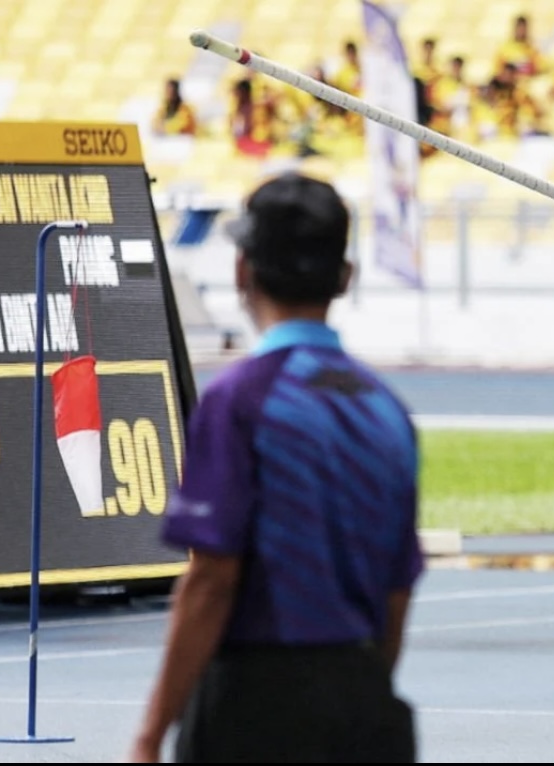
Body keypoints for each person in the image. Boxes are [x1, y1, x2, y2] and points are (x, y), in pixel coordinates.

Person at [128, 173, 425, 763]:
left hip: (256, 700)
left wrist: (150, 735)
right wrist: (365, 691)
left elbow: (212, 578)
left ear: (243, 271)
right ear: (345, 278)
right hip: (363, 696)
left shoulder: (241, 398)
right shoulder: (386, 409)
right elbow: (397, 591)